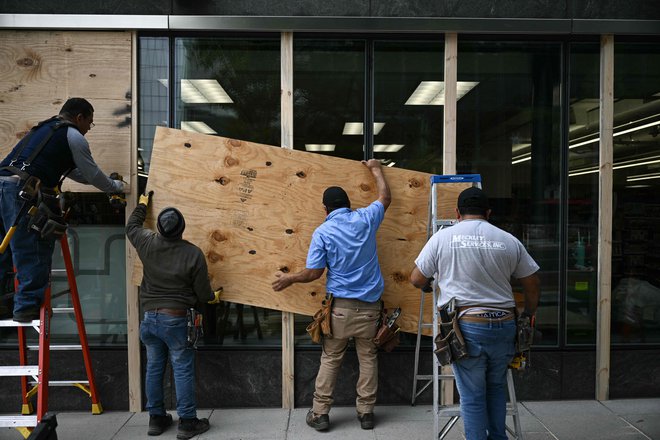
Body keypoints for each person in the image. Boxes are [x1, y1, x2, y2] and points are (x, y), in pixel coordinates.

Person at [409, 186, 540, 440]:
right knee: (496, 388)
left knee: (472, 396)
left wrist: (430, 284)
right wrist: (528, 315)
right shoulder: (507, 239)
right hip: (504, 325)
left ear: (457, 213)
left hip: (467, 327)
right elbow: (533, 283)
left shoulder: (442, 238)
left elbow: (416, 278)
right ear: (488, 213)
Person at [272, 159, 391, 432]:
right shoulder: (366, 218)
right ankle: (366, 413)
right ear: (348, 203)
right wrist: (375, 169)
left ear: (325, 209)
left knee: (331, 359)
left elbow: (314, 272)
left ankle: (321, 413)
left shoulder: (323, 231)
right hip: (372, 308)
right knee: (368, 358)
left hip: (340, 311)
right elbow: (385, 197)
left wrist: (289, 278)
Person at [0, 98, 124, 322]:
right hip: (21, 192)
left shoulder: (43, 128)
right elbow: (92, 173)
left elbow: (81, 173)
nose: (88, 129)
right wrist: (116, 187)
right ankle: (26, 307)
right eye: (90, 123)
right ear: (80, 118)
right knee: (32, 246)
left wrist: (102, 181)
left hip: (3, 186)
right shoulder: (74, 136)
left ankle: (1, 303)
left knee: (4, 247)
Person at [126, 191, 221, 439]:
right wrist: (214, 297)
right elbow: (202, 293)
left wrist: (143, 205)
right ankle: (187, 422)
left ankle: (156, 419)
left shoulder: (146, 242)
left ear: (158, 227)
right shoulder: (193, 253)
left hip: (150, 320)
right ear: (182, 229)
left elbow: (132, 225)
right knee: (182, 369)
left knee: (155, 368)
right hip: (176, 321)